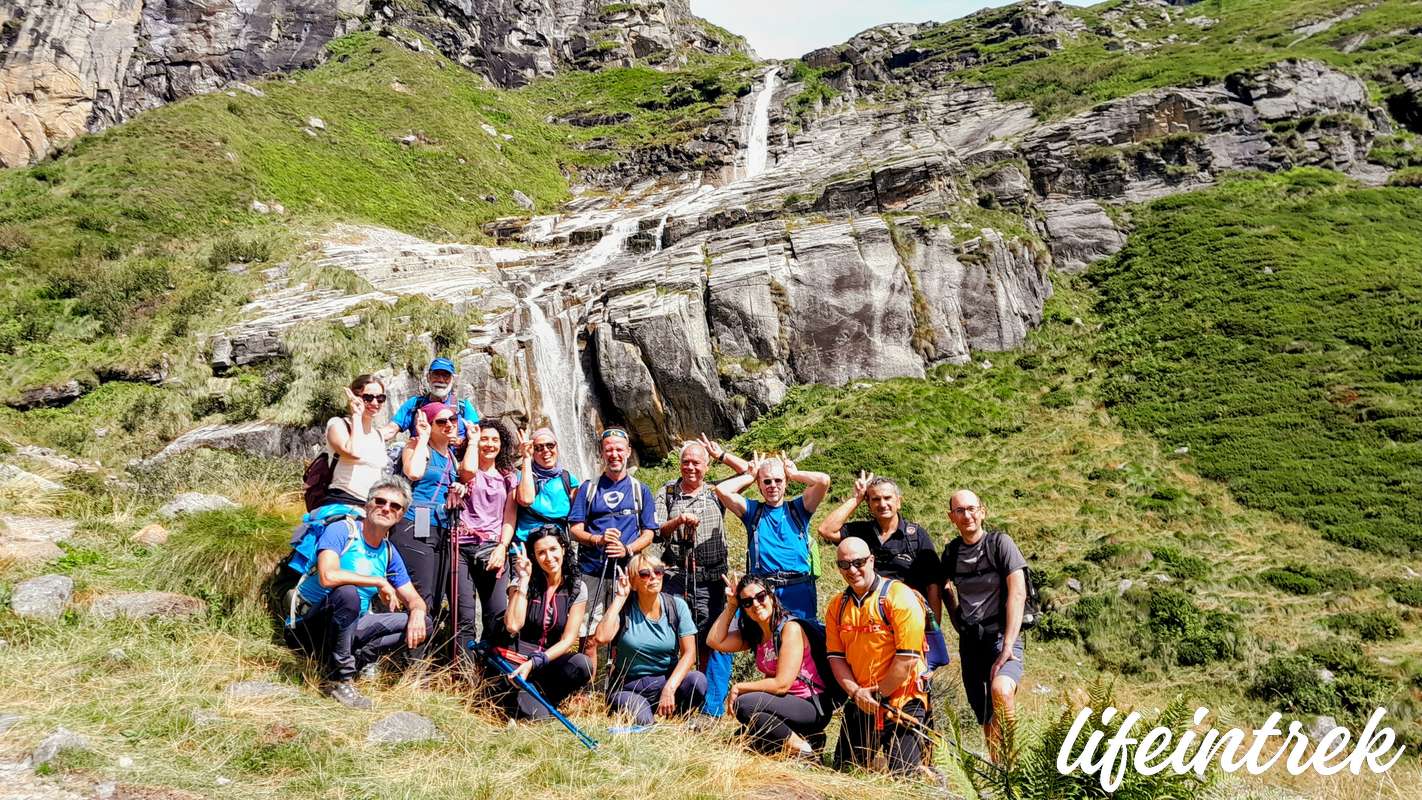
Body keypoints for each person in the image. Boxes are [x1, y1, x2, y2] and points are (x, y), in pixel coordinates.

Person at [287, 477, 428, 709]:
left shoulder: (389, 552)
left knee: (424, 623)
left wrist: (418, 614)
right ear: (367, 505)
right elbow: (328, 576)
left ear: (401, 516)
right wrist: (378, 580)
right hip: (310, 628)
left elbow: (414, 599)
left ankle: (357, 660)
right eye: (380, 501)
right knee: (347, 593)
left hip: (349, 630)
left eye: (394, 506)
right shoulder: (342, 530)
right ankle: (339, 679)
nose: (386, 508)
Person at [655, 435, 747, 719]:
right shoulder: (668, 492)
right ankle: (675, 700)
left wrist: (722, 455)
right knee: (674, 638)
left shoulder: (717, 492)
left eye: (697, 462)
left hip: (712, 580)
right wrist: (679, 520)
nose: (691, 467)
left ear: (707, 467)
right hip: (676, 577)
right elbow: (657, 529)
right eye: (686, 462)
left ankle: (710, 708)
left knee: (712, 641)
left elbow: (749, 473)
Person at [825, 538, 929, 775]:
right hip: (862, 700)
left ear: (871, 560)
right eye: (844, 565)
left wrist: (879, 693)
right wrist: (856, 693)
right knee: (846, 772)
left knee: (905, 778)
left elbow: (907, 658)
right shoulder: (836, 607)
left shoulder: (899, 597)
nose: (852, 570)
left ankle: (928, 772)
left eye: (858, 562)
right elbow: (836, 657)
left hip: (903, 700)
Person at [940, 489, 1027, 762]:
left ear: (982, 511)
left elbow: (1018, 593)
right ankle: (999, 769)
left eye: (971, 509)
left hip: (1002, 635)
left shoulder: (1000, 544)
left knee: (1002, 689)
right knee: (985, 711)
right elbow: (944, 587)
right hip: (971, 641)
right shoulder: (952, 552)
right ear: (951, 517)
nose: (967, 515)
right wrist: (956, 620)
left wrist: (1009, 645)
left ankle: (1013, 764)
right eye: (960, 511)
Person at [707, 574, 830, 758]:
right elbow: (715, 641)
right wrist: (732, 605)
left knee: (745, 705)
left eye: (760, 596)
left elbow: (782, 684)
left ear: (771, 596)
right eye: (747, 602)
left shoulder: (790, 629)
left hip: (810, 705)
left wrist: (740, 687)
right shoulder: (756, 635)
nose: (755, 604)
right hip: (784, 705)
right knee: (741, 742)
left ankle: (805, 751)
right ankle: (811, 739)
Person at [568, 428, 657, 673]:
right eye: (609, 449)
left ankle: (619, 691)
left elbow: (649, 532)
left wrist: (626, 548)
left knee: (627, 636)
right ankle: (585, 691)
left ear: (628, 452)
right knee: (588, 637)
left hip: (628, 575)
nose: (614, 454)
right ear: (601, 453)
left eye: (619, 449)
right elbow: (574, 529)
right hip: (592, 572)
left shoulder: (641, 491)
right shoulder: (588, 488)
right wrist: (597, 539)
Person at [714, 453, 831, 620]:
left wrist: (794, 474)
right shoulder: (752, 511)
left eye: (778, 480)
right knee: (766, 643)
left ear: (786, 482)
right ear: (759, 485)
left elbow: (823, 480)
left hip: (799, 589)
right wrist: (750, 476)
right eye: (766, 481)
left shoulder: (800, 508)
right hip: (764, 593)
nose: (773, 485)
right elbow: (722, 490)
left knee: (803, 641)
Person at [390, 402, 465, 662]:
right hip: (414, 525)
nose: (449, 425)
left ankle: (418, 657)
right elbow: (413, 472)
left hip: (441, 529)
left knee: (432, 599)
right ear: (429, 425)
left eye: (452, 420)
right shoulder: (416, 446)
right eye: (441, 422)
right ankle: (412, 664)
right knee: (420, 596)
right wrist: (421, 437)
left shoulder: (452, 457)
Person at [594, 553, 706, 726]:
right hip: (629, 686)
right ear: (633, 582)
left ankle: (677, 715)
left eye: (658, 571)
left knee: (697, 680)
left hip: (666, 680)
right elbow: (601, 637)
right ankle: (651, 719)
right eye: (645, 574)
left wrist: (670, 688)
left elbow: (689, 653)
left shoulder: (677, 606)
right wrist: (619, 598)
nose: (653, 577)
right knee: (643, 720)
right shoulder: (625, 608)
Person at [497, 527, 592, 720]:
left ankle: (541, 698)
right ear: (534, 556)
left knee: (583, 664)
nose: (548, 557)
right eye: (541, 552)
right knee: (540, 720)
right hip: (515, 660)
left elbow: (568, 640)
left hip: (545, 663)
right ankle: (525, 702)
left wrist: (536, 662)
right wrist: (523, 581)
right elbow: (513, 625)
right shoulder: (522, 580)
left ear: (563, 549)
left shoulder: (577, 587)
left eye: (553, 549)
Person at [817, 472, 941, 619]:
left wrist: (934, 628)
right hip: (866, 619)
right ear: (868, 504)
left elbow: (933, 585)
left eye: (887, 498)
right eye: (875, 499)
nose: (882, 504)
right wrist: (856, 498)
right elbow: (826, 530)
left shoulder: (916, 535)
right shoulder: (860, 531)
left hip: (907, 618)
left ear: (898, 502)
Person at [452, 417, 519, 647]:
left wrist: (503, 547)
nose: (489, 444)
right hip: (460, 547)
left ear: (502, 444)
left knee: (497, 615)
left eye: (495, 440)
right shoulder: (464, 467)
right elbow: (467, 472)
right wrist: (471, 441)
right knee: (463, 616)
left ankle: (492, 676)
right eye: (484, 439)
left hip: (493, 548)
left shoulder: (508, 476)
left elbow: (510, 516)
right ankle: (463, 676)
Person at [321, 374, 395, 507]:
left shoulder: (378, 436)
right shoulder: (339, 425)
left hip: (370, 507)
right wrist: (356, 414)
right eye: (368, 398)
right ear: (355, 397)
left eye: (380, 398)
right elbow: (353, 452)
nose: (374, 403)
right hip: (343, 503)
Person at [389, 357, 480, 448]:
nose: (440, 380)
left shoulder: (463, 407)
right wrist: (376, 436)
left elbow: (479, 436)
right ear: (428, 377)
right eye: (436, 374)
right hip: (422, 458)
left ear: (453, 380)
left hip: (456, 460)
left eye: (446, 376)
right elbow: (391, 429)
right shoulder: (415, 404)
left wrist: (460, 441)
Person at [512, 428, 581, 544]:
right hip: (525, 548)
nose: (545, 450)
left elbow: (578, 518)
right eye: (538, 448)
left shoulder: (568, 480)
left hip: (557, 549)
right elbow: (525, 499)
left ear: (556, 447)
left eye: (550, 445)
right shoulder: (522, 476)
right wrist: (526, 458)